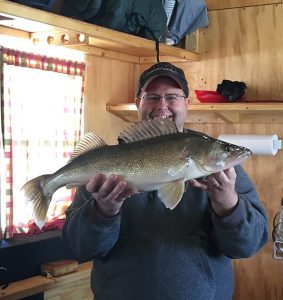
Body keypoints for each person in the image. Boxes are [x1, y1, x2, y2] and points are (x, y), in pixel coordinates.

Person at [62, 62, 268, 300]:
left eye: (172, 97)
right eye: (151, 97)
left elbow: (247, 246)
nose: (162, 106)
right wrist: (102, 212)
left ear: (186, 104)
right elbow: (81, 247)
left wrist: (228, 204)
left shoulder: (223, 171)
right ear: (138, 103)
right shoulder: (106, 167)